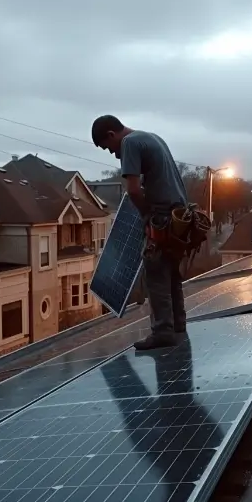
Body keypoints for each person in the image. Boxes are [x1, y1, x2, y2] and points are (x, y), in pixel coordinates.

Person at [91, 114, 188, 351]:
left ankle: (162, 331)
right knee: (171, 273)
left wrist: (147, 216)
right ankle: (177, 325)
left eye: (108, 147)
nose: (113, 153)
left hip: (163, 217)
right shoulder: (152, 137)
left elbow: (133, 190)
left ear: (112, 135)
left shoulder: (129, 143)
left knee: (155, 274)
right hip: (179, 216)